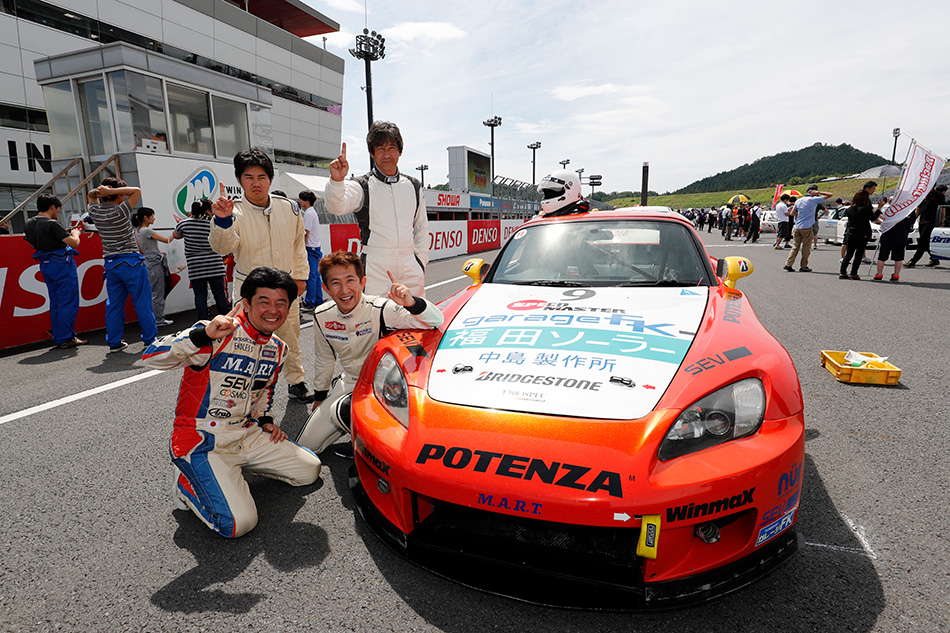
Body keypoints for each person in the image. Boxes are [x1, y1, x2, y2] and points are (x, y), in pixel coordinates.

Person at [143, 266, 321, 538]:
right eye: (264, 302)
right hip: (203, 439)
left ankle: (228, 474)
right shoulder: (218, 331)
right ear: (246, 304)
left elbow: (265, 392)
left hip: (247, 433)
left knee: (310, 470)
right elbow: (151, 356)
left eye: (281, 303)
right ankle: (187, 484)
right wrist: (203, 335)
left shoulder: (278, 348)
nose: (273, 310)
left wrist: (266, 421)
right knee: (239, 525)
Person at [295, 250, 443, 456]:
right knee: (305, 448)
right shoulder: (321, 315)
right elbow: (324, 359)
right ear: (325, 288)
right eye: (335, 283)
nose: (344, 290)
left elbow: (436, 320)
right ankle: (351, 426)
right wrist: (320, 397)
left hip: (381, 389)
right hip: (348, 382)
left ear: (362, 282)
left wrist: (411, 302)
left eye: (350, 280)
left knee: (346, 415)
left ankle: (358, 433)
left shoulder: (381, 308)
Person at [209, 147, 314, 403]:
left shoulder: (289, 208)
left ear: (270, 179)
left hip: (285, 288)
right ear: (239, 179)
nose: (256, 183)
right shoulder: (232, 212)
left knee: (290, 337)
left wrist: (301, 278)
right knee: (246, 341)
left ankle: (296, 381)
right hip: (250, 291)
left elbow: (298, 246)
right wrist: (222, 221)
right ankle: (247, 391)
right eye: (249, 177)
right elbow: (222, 247)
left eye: (261, 177)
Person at [324, 121, 429, 297]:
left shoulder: (414, 185)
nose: (386, 154)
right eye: (380, 148)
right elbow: (336, 207)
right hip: (375, 266)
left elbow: (421, 228)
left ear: (400, 151)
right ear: (372, 153)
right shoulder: (362, 185)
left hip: (410, 264)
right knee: (376, 313)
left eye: (391, 148)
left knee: (416, 312)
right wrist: (337, 181)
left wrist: (420, 261)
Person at [86, 178, 157, 352]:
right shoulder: (121, 210)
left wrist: (100, 191)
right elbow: (136, 191)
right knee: (142, 302)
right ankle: (150, 339)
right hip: (131, 262)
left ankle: (114, 342)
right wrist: (110, 191)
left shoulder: (95, 211)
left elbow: (90, 195)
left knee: (114, 305)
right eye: (121, 194)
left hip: (111, 264)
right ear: (116, 194)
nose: (124, 197)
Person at [23, 193, 87, 349]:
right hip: (61, 263)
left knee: (56, 301)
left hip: (45, 263)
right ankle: (65, 337)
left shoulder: (29, 223)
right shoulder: (52, 223)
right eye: (58, 209)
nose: (58, 211)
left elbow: (32, 244)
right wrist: (75, 234)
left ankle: (59, 336)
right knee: (68, 301)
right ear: (52, 207)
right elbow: (74, 243)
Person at [173, 199, 230, 320]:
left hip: (196, 266)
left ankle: (203, 321)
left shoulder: (184, 224)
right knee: (219, 293)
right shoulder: (213, 223)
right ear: (208, 211)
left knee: (200, 295)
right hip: (214, 264)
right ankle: (225, 318)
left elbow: (175, 235)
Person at [132, 207, 176, 327]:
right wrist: (176, 231)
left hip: (147, 261)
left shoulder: (138, 231)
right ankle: (159, 319)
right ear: (145, 218)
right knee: (158, 292)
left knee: (151, 291)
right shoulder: (147, 231)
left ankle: (152, 318)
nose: (154, 218)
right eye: (152, 216)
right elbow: (167, 240)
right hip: (154, 262)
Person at [839, 181, 885, 280]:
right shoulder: (865, 209)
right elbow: (873, 218)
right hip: (862, 233)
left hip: (851, 233)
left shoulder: (850, 209)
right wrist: (879, 208)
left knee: (849, 254)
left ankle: (842, 272)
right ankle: (853, 273)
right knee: (859, 254)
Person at [784, 185, 832, 272]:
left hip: (797, 226)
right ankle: (803, 266)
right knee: (806, 247)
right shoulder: (813, 200)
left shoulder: (798, 200)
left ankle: (788, 264)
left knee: (795, 246)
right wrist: (819, 192)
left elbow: (792, 213)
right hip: (807, 226)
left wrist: (800, 214)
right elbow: (830, 195)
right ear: (813, 191)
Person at [906, 184, 947, 268]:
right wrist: (912, 221)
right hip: (922, 221)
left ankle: (913, 261)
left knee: (922, 241)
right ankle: (934, 259)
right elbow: (918, 209)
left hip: (931, 221)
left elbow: (943, 209)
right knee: (926, 242)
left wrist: (941, 221)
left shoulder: (939, 196)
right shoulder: (922, 195)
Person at [298, 190, 324, 311]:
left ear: (307, 201)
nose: (300, 201)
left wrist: (302, 247)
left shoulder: (308, 214)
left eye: (301, 199)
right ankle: (318, 299)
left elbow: (306, 233)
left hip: (310, 248)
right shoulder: (312, 212)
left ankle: (310, 301)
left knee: (311, 276)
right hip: (316, 246)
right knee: (315, 275)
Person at [875, 212, 915, 282]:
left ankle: (879, 275)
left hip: (887, 235)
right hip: (901, 235)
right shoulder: (909, 209)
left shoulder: (892, 209)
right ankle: (896, 276)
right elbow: (911, 223)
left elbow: (884, 220)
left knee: (882, 257)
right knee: (899, 258)